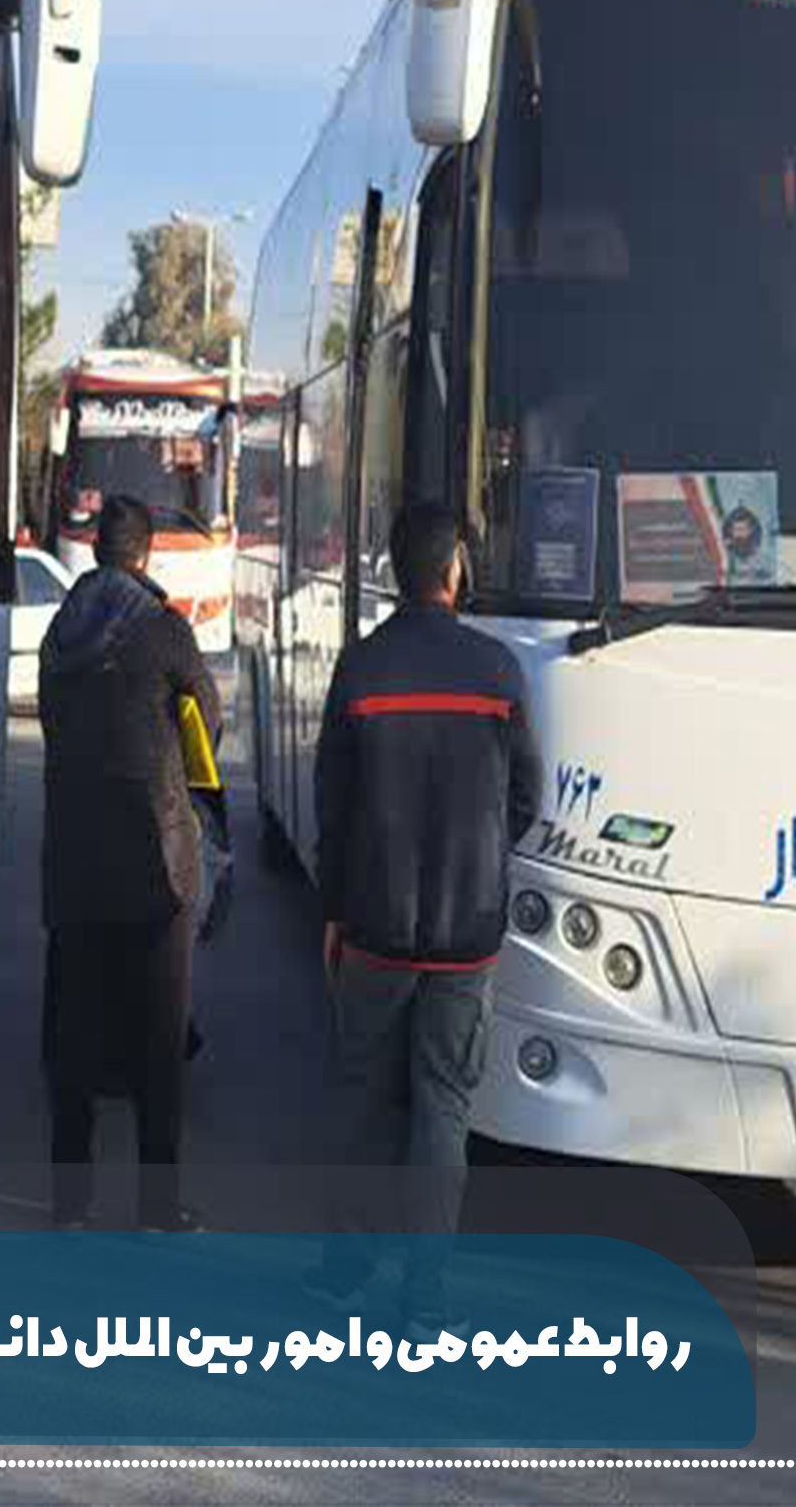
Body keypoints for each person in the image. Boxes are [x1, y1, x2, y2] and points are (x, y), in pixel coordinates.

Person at [306, 501, 542, 1338]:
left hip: (375, 929)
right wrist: (479, 861)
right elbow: (526, 798)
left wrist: (335, 911)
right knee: (444, 1109)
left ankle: (346, 1269)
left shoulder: (362, 669)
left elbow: (332, 808)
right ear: (455, 570)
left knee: (361, 1100)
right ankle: (424, 1297)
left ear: (394, 571)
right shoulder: (498, 672)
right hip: (466, 937)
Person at [35, 494, 222, 1233]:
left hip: (74, 859)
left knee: (74, 1042)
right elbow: (205, 725)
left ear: (95, 551)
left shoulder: (59, 631)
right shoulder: (165, 631)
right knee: (158, 1042)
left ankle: (69, 1207)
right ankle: (157, 1206)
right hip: (154, 863)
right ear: (146, 554)